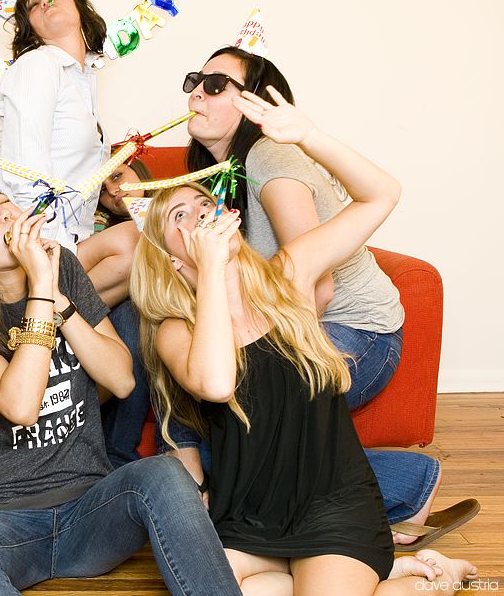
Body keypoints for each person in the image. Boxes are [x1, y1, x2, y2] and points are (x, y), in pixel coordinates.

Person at [131, 88, 476, 594]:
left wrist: (310, 137)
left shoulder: (288, 275)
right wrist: (209, 272)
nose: (198, 214)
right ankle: (409, 575)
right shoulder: (175, 331)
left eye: (202, 202)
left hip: (332, 503)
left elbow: (382, 194)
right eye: (177, 218)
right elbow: (217, 381)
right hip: (248, 515)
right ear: (171, 260)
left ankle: (419, 574)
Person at [0, 180, 241, 596]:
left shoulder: (65, 270)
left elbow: (122, 380)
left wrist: (58, 296)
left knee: (165, 471)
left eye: (5, 202)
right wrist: (40, 288)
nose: (5, 214)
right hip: (3, 516)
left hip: (92, 507)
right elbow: (19, 405)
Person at [0, 0, 139, 306]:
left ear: (80, 7)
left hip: (69, 238)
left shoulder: (84, 80)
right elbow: (25, 173)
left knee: (148, 246)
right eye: (32, 3)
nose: (43, 1)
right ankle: (42, 304)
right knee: (134, 242)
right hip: (28, 240)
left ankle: (54, 317)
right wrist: (50, 255)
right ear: (29, 25)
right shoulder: (37, 65)